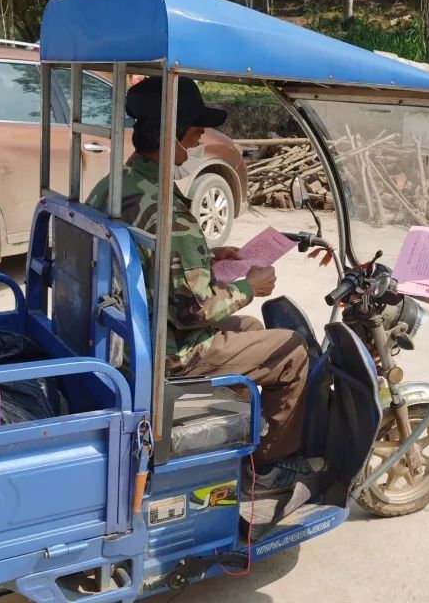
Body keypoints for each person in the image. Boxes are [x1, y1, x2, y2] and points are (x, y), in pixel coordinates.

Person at [86, 75, 314, 495]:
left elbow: (151, 260)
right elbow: (194, 312)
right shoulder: (173, 215)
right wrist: (250, 286)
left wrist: (208, 256)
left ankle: (231, 432)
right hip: (168, 351)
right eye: (191, 136)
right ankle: (266, 469)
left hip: (126, 333)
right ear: (168, 135)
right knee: (293, 352)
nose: (193, 147)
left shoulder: (116, 186)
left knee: (250, 331)